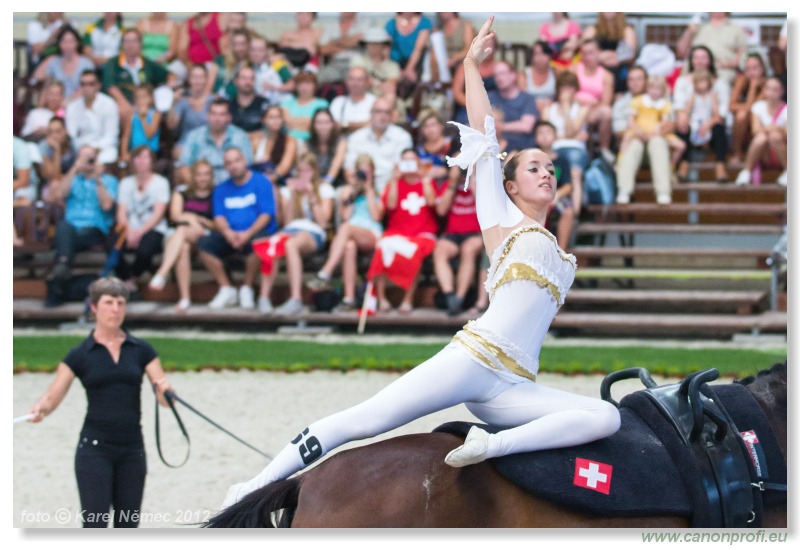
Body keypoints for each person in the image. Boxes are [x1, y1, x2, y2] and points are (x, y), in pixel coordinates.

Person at [221, 17, 620, 508]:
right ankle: (254, 485)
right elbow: (484, 133)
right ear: (510, 185)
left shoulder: (553, 242)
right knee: (365, 419)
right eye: (534, 166)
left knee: (607, 418)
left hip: (515, 383)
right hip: (475, 360)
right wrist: (472, 65)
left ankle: (488, 446)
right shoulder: (500, 217)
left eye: (551, 167)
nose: (546, 172)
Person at [28, 277, 174, 528]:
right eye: (108, 302)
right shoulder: (80, 354)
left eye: (120, 303)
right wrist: (41, 408)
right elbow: (53, 395)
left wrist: (166, 392)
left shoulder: (141, 349)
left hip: (132, 450)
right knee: (95, 527)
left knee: (127, 526)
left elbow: (163, 397)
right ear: (94, 308)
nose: (115, 309)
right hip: (94, 450)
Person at [196, 147, 278, 310]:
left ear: (245, 161)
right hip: (230, 234)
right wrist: (228, 234)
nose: (234, 166)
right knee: (202, 245)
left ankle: (246, 287)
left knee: (261, 244)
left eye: (237, 161)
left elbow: (266, 215)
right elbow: (218, 217)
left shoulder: (261, 182)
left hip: (255, 232)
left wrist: (246, 234)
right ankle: (226, 287)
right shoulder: (221, 189)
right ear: (225, 167)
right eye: (229, 163)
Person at [260, 153, 336, 316]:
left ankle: (295, 298)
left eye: (307, 171)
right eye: (300, 171)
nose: (303, 175)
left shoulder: (324, 189)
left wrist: (311, 196)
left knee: (290, 245)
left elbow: (323, 222)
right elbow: (287, 222)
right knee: (272, 244)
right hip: (291, 229)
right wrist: (294, 195)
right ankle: (264, 297)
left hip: (313, 232)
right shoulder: (288, 190)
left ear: (314, 171)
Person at [306, 154, 383, 311]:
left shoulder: (378, 191)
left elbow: (376, 216)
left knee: (345, 228)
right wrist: (353, 192)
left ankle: (326, 273)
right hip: (349, 234)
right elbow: (345, 216)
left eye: (366, 173)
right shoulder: (347, 191)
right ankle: (349, 299)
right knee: (348, 246)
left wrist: (368, 190)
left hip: (371, 233)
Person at [149, 160, 216, 311]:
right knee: (183, 245)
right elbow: (173, 219)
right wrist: (191, 219)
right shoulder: (181, 192)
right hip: (178, 233)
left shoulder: (216, 194)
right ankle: (185, 298)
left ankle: (162, 272)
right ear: (193, 176)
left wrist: (198, 220)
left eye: (206, 174)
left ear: (211, 176)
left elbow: (216, 224)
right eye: (199, 174)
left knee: (182, 231)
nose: (202, 178)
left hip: (204, 234)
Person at [47, 145, 119, 283]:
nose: (87, 161)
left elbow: (107, 205)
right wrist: (74, 169)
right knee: (63, 226)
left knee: (66, 238)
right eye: (83, 157)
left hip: (94, 229)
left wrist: (98, 179)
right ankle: (63, 264)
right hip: (71, 228)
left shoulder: (108, 180)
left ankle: (63, 263)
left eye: (90, 158)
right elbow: (58, 195)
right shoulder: (73, 179)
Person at [672, 45, 731, 182]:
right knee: (682, 125)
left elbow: (722, 110)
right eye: (696, 57)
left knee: (719, 126)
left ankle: (720, 165)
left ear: (709, 60)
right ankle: (683, 164)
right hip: (691, 121)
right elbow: (679, 105)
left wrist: (708, 123)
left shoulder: (719, 83)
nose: (699, 61)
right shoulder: (682, 81)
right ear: (691, 60)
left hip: (711, 121)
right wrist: (682, 117)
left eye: (703, 57)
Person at [433, 159, 483, 317]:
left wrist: (473, 177)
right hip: (453, 233)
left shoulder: (482, 183)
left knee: (468, 250)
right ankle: (450, 295)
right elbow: (441, 210)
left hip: (475, 233)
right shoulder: (447, 185)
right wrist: (453, 183)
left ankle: (459, 298)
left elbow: (484, 205)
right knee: (440, 250)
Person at [620, 75, 686, 189]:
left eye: (658, 88)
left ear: (663, 90)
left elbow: (665, 123)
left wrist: (654, 132)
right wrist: (639, 132)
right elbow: (631, 121)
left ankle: (670, 168)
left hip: (656, 134)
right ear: (647, 88)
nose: (655, 91)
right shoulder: (638, 101)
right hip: (638, 132)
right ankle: (620, 166)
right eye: (652, 88)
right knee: (626, 142)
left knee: (680, 146)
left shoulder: (665, 104)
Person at [176, 98, 254, 185]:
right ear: (207, 116)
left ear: (229, 117)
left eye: (222, 114)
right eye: (214, 114)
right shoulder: (194, 136)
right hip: (202, 189)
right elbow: (184, 167)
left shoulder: (240, 136)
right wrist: (198, 191)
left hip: (234, 189)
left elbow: (247, 166)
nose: (217, 118)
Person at [343, 95, 413, 192]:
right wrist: (362, 186)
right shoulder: (356, 138)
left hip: (393, 186)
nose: (382, 116)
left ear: (392, 115)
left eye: (387, 112)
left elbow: (403, 169)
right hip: (362, 186)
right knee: (345, 192)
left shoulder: (403, 137)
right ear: (371, 113)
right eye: (378, 111)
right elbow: (349, 169)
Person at [543, 71, 589, 213]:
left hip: (575, 149)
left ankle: (575, 213)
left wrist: (567, 109)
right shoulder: (548, 109)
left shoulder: (582, 109)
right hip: (553, 149)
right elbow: (546, 134)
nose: (567, 91)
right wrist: (571, 136)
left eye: (570, 87)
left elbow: (570, 132)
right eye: (563, 87)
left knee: (575, 172)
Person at [102, 28, 168, 128]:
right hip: (123, 102)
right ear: (122, 44)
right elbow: (111, 86)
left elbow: (168, 75)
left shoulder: (148, 63)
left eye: (134, 41)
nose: (130, 44)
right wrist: (125, 105)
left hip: (145, 103)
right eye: (127, 41)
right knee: (122, 111)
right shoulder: (112, 63)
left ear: (140, 44)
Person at [734, 77, 787, 186]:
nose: (771, 92)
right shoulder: (758, 107)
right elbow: (755, 130)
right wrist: (775, 127)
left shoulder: (788, 109)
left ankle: (789, 170)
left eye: (775, 89)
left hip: (781, 151)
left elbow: (788, 134)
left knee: (774, 137)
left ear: (782, 91)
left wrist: (773, 130)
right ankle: (746, 171)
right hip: (763, 153)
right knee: (761, 138)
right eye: (768, 88)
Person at [571, 38, 615, 163]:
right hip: (574, 110)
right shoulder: (573, 70)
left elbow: (606, 102)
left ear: (599, 53)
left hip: (593, 112)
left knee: (606, 112)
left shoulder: (607, 76)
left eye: (591, 53)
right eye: (584, 53)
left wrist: (589, 106)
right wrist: (581, 102)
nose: (587, 56)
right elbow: (565, 91)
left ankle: (604, 148)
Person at [64, 70, 120, 166]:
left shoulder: (109, 104)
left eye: (91, 84)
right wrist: (84, 149)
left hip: (103, 149)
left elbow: (111, 135)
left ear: (98, 86)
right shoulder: (72, 107)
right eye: (83, 84)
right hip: (81, 149)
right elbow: (71, 135)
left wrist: (94, 149)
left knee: (109, 156)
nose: (86, 88)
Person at [533, 121, 574, 249]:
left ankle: (561, 252)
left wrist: (556, 195)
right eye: (541, 133)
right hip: (534, 198)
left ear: (555, 136)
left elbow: (568, 186)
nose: (545, 136)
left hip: (555, 197)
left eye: (548, 132)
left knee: (568, 210)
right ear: (535, 137)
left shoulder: (562, 161)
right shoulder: (530, 160)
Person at [676, 12, 747, 85]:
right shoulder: (698, 27)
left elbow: (745, 54)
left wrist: (734, 63)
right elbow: (681, 52)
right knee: (682, 81)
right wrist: (689, 32)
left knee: (721, 83)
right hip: (695, 69)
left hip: (722, 70)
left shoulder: (737, 29)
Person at [31, 25, 96, 104]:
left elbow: (89, 88)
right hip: (56, 104)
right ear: (59, 44)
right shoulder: (54, 61)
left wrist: (68, 101)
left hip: (80, 104)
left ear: (77, 43)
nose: (68, 45)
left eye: (71, 42)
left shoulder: (86, 64)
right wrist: (49, 59)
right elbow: (37, 77)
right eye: (64, 42)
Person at [487, 60, 539, 153]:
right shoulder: (489, 97)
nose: (499, 78)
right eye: (496, 75)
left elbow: (526, 126)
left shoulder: (527, 99)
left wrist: (499, 125)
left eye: (502, 73)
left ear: (513, 75)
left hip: (521, 147)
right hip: (494, 146)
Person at [582, 12, 638, 94]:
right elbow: (584, 50)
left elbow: (630, 54)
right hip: (597, 71)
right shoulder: (592, 29)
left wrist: (610, 57)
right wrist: (609, 56)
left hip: (619, 71)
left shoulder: (627, 30)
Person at [166, 63, 214, 158]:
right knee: (178, 152)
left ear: (206, 79)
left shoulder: (214, 101)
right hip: (186, 142)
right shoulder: (182, 101)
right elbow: (171, 126)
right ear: (189, 79)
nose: (198, 81)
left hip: (208, 141)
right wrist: (173, 103)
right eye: (194, 77)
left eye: (201, 77)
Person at [729, 53, 767, 167]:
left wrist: (753, 87)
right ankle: (737, 153)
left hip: (761, 124)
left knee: (742, 114)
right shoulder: (741, 80)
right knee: (741, 115)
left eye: (755, 68)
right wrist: (751, 87)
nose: (751, 72)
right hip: (743, 128)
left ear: (763, 68)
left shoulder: (767, 84)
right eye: (748, 69)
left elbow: (752, 109)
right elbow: (731, 106)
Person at [249, 105, 298, 187]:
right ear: (263, 120)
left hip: (280, 182)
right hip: (257, 180)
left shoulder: (289, 141)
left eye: (278, 117)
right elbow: (249, 162)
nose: (276, 121)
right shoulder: (256, 139)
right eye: (271, 117)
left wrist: (267, 180)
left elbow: (284, 167)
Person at [350, 27, 401, 101]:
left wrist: (369, 80)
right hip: (362, 98)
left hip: (383, 101)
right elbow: (356, 80)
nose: (372, 46)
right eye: (370, 43)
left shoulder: (392, 65)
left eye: (377, 43)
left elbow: (390, 87)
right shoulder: (358, 59)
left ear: (384, 45)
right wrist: (380, 84)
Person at [317, 12, 366, 86]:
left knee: (358, 77)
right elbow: (323, 49)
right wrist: (350, 41)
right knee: (319, 78)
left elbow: (361, 43)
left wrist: (334, 42)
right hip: (334, 63)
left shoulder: (365, 24)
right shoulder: (331, 25)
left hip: (355, 63)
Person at [302, 108, 348, 187]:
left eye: (326, 122)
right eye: (319, 122)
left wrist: (326, 182)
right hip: (312, 182)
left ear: (332, 124)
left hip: (335, 183)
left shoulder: (341, 141)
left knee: (326, 192)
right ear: (314, 125)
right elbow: (305, 165)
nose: (323, 126)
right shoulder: (307, 143)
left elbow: (336, 165)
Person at [280, 71, 329, 143]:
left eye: (308, 83)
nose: (304, 87)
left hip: (312, 143)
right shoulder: (286, 103)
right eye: (300, 83)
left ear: (315, 85)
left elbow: (317, 126)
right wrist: (308, 122)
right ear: (296, 86)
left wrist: (294, 121)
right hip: (288, 142)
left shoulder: (322, 104)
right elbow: (287, 123)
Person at [385, 12, 433, 84]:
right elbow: (386, 49)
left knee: (411, 79)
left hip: (416, 65)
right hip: (395, 64)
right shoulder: (391, 23)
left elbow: (418, 49)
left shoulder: (424, 23)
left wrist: (409, 69)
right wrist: (395, 70)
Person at [119, 84, 161, 165]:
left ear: (151, 99)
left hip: (152, 152)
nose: (141, 100)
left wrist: (143, 118)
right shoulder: (132, 115)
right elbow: (126, 136)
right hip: (134, 152)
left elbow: (149, 134)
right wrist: (124, 154)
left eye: (144, 97)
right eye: (138, 97)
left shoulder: (156, 114)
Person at [329, 66, 377, 133]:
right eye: (351, 79)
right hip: (341, 142)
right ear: (346, 81)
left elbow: (376, 125)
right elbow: (332, 126)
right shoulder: (338, 102)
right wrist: (363, 124)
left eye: (359, 80)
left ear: (367, 82)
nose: (355, 83)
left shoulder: (374, 102)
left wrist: (345, 125)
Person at [228, 65, 270, 135]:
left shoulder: (264, 104)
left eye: (251, 79)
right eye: (244, 78)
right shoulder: (229, 105)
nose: (248, 82)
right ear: (236, 81)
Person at [519, 40, 557, 114]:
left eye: (544, 53)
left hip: (550, 110)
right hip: (529, 109)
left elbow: (559, 95)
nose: (540, 58)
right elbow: (522, 98)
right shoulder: (524, 74)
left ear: (549, 56)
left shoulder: (555, 73)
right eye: (536, 54)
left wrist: (551, 103)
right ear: (532, 57)